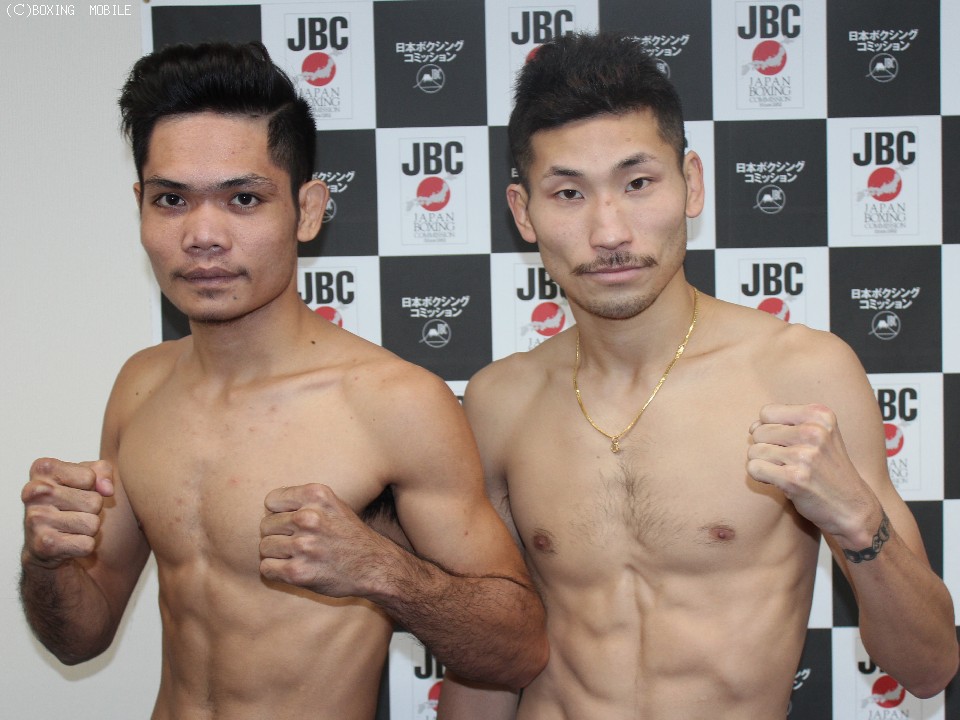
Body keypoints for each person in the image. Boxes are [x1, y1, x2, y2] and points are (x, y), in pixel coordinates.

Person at [19, 41, 547, 720]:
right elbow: (79, 639)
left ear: (307, 209)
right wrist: (46, 562)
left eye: (243, 198)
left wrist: (383, 571)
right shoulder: (140, 386)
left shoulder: (391, 402)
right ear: (140, 207)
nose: (203, 234)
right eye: (171, 199)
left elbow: (518, 651)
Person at [439, 32, 957, 719]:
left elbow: (927, 667)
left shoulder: (800, 373)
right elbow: (492, 659)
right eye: (567, 193)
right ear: (522, 212)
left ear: (693, 183)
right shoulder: (499, 400)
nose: (609, 231)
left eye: (637, 183)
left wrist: (858, 521)